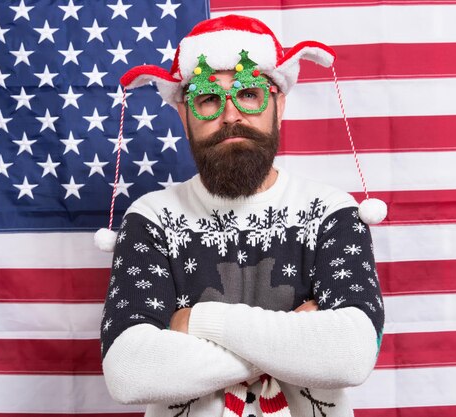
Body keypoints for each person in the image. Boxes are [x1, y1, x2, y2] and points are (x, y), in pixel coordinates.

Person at [99, 14, 385, 417]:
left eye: (249, 93)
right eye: (208, 98)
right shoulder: (151, 218)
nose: (230, 115)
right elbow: (129, 372)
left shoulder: (332, 212)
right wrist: (294, 343)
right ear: (184, 115)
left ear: (279, 103)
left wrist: (197, 321)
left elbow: (351, 355)